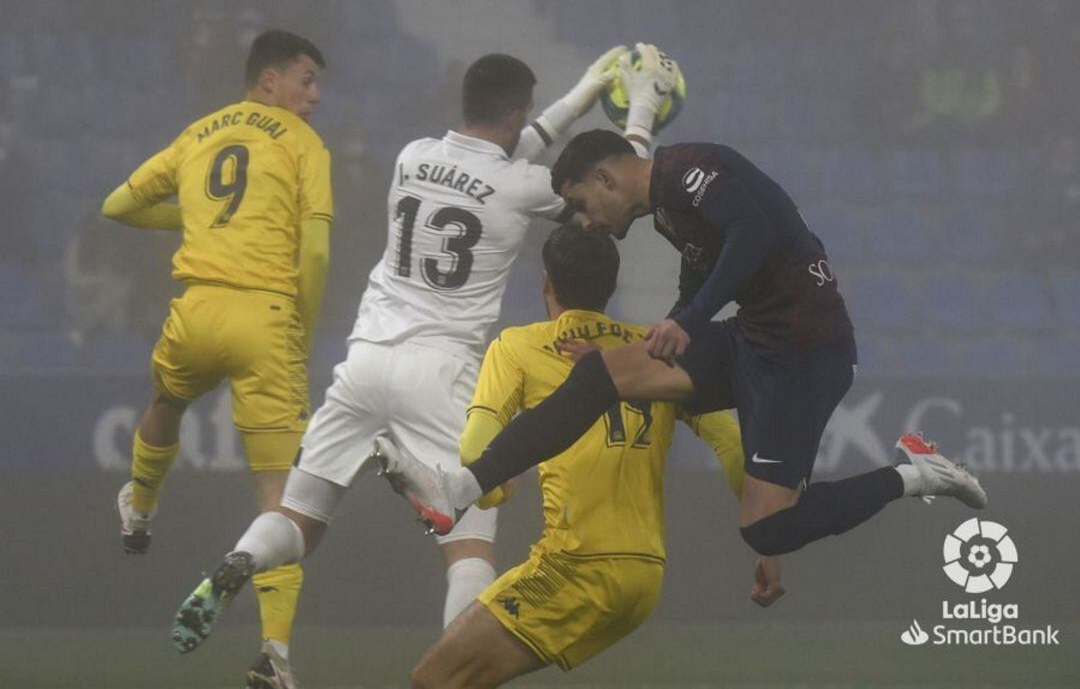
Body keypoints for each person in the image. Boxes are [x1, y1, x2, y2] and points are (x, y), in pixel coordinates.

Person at [170, 45, 681, 654]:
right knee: (469, 547)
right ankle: (456, 665)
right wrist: (638, 116)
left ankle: (240, 558)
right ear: (518, 111)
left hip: (365, 359)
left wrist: (580, 95)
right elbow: (614, 198)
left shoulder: (412, 156)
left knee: (299, 516)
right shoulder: (522, 186)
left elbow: (502, 154)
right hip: (440, 372)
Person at [378, 128, 989, 569]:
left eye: (584, 205)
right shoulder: (667, 209)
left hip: (804, 358)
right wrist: (675, 321)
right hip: (754, 338)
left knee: (769, 529)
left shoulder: (694, 171)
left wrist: (690, 320)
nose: (586, 222)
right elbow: (706, 267)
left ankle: (915, 476)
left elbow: (752, 233)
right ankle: (457, 491)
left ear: (606, 178)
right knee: (599, 379)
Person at [383, 223, 761, 689]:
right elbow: (736, 449)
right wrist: (767, 537)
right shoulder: (653, 349)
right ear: (611, 286)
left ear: (546, 281)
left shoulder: (519, 346)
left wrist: (495, 489)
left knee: (433, 680)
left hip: (578, 564)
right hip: (645, 573)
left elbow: (473, 449)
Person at [105, 29, 331, 689]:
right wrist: (302, 331)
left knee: (165, 402)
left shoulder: (199, 132)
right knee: (281, 501)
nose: (314, 96)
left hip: (196, 309)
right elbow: (314, 253)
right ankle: (273, 655)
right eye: (306, 80)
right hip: (264, 317)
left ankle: (140, 509)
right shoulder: (302, 143)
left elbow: (117, 206)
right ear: (270, 81)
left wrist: (198, 220)